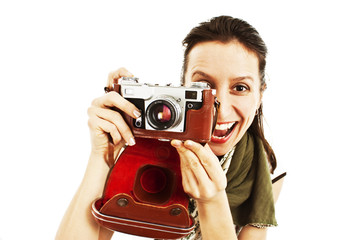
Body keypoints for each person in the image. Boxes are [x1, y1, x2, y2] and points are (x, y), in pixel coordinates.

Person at [56, 16, 285, 240]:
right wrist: (101, 157)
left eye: (241, 87)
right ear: (183, 88)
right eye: (203, 86)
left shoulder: (263, 169)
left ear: (260, 95)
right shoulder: (155, 146)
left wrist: (212, 201)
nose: (221, 110)